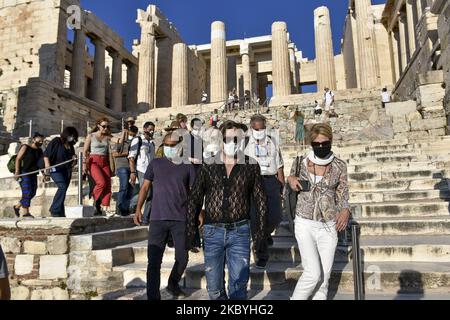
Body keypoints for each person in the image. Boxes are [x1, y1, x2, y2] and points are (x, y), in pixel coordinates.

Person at [187, 120, 268, 300]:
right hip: (212, 231)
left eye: (236, 138)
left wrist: (261, 232)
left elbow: (261, 200)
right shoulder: (208, 165)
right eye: (227, 138)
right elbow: (195, 198)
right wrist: (191, 229)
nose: (232, 142)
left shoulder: (251, 165)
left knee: (239, 286)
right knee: (214, 287)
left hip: (240, 231)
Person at [287, 123, 350, 300]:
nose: (321, 147)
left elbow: (343, 193)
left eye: (324, 143)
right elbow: (291, 178)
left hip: (329, 226)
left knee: (324, 280)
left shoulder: (339, 165)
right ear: (311, 144)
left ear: (331, 141)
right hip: (304, 222)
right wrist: (291, 179)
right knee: (313, 273)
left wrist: (345, 209)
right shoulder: (300, 161)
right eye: (317, 144)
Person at [133, 131, 196, 300]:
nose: (169, 148)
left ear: (180, 146)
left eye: (172, 145)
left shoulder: (188, 166)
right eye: (166, 145)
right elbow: (145, 187)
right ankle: (153, 296)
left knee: (182, 258)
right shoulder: (155, 163)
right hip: (157, 218)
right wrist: (138, 208)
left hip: (181, 218)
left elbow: (194, 193)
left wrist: (199, 212)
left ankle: (173, 284)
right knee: (154, 261)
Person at [245, 115, 285, 269]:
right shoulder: (245, 143)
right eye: (256, 129)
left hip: (271, 181)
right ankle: (260, 251)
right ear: (251, 127)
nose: (259, 131)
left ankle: (266, 234)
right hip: (253, 182)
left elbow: (279, 164)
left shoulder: (273, 141)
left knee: (276, 216)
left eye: (261, 128)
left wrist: (281, 183)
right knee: (256, 219)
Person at [83, 118, 121, 216]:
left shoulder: (107, 136)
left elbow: (119, 141)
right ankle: (92, 198)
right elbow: (85, 151)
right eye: (104, 126)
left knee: (108, 185)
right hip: (93, 161)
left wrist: (125, 132)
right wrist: (84, 164)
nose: (106, 128)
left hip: (104, 161)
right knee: (101, 183)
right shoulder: (91, 136)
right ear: (98, 126)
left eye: (107, 126)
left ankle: (105, 207)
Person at [43, 127, 78, 217]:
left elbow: (72, 164)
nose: (72, 137)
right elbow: (46, 154)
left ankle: (60, 212)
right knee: (62, 186)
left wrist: (74, 159)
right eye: (71, 135)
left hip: (66, 171)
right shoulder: (56, 141)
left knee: (63, 190)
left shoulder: (71, 146)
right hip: (55, 169)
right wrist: (47, 169)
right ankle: (54, 209)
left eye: (74, 136)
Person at [129, 122, 156, 224]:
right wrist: (132, 171)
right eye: (150, 129)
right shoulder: (138, 140)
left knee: (152, 195)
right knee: (146, 192)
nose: (152, 131)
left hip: (151, 172)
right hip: (141, 170)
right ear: (144, 129)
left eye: (153, 129)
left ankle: (145, 219)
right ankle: (131, 204)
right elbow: (131, 157)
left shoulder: (152, 143)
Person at [13, 132, 45, 219]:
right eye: (39, 140)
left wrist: (44, 174)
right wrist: (17, 171)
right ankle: (26, 213)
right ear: (34, 139)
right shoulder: (25, 147)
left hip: (33, 173)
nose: (41, 142)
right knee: (26, 192)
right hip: (24, 173)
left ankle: (17, 207)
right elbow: (18, 159)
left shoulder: (39, 151)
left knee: (33, 192)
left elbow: (41, 163)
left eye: (42, 141)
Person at [113, 125, 138, 216]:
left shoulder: (135, 142)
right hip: (122, 166)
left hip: (132, 167)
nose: (132, 135)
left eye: (134, 134)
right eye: (131, 133)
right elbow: (115, 154)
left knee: (130, 189)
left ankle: (125, 208)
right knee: (123, 188)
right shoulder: (121, 142)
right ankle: (119, 208)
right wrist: (127, 153)